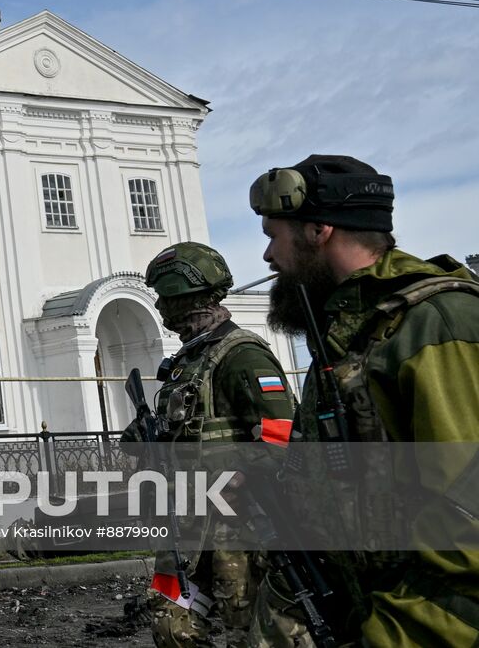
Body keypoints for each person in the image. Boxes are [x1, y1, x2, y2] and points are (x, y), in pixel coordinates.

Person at [247, 154, 479, 645]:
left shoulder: (435, 323)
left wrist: (388, 635)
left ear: (318, 230)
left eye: (274, 235)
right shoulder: (350, 333)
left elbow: (468, 524)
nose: (268, 256)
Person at [126, 241, 296, 648]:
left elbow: (283, 434)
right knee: (170, 626)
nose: (162, 308)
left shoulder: (242, 355)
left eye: (165, 298)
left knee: (246, 630)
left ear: (185, 297)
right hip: (185, 527)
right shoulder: (186, 362)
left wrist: (237, 472)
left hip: (235, 529)